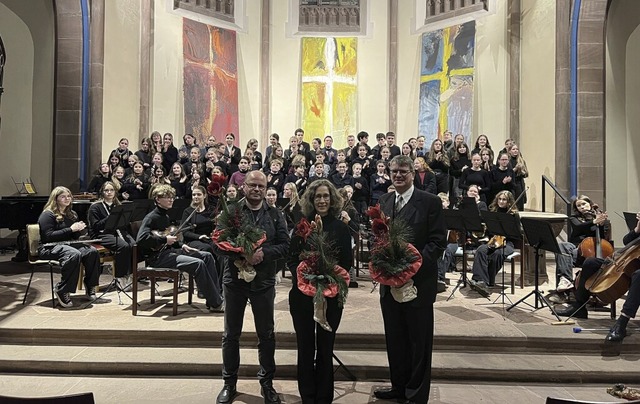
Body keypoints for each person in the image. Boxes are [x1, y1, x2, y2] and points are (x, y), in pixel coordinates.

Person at [373, 155, 447, 404]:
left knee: (418, 343)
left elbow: (437, 242)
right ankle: (399, 386)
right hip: (389, 284)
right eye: (394, 171)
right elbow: (380, 240)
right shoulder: (384, 201)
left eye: (403, 171)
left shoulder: (430, 202)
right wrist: (387, 268)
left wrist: (409, 268)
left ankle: (415, 394)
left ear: (413, 173)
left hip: (418, 284)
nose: (398, 175)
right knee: (395, 339)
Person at [213, 170, 290, 404]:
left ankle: (267, 384)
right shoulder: (231, 211)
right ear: (243, 187)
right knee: (230, 335)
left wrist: (262, 253)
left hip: (263, 282)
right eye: (252, 185)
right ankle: (229, 383)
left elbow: (285, 245)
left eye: (261, 186)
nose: (257, 189)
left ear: (266, 190)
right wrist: (239, 252)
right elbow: (217, 244)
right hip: (234, 281)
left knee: (266, 334)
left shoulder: (276, 215)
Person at [287, 179, 352, 404]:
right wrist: (308, 274)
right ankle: (308, 396)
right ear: (311, 200)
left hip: (331, 296)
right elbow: (291, 259)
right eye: (317, 197)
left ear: (332, 199)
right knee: (305, 348)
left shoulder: (341, 228)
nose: (322, 200)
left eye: (326, 196)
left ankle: (324, 397)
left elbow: (347, 263)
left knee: (325, 348)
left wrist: (327, 277)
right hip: (303, 297)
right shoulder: (302, 226)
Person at [136, 183, 223, 311]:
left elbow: (170, 238)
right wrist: (164, 239)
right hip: (158, 257)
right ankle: (216, 303)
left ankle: (214, 298)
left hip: (170, 252)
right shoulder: (151, 217)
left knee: (207, 256)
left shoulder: (165, 216)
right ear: (158, 199)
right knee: (198, 263)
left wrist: (182, 246)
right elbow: (141, 239)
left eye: (172, 197)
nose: (171, 199)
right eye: (167, 197)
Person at [556, 211, 640, 343]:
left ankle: (622, 322)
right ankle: (579, 307)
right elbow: (626, 241)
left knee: (638, 275)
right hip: (627, 263)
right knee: (590, 262)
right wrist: (637, 229)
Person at [38, 187, 101, 308]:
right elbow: (48, 236)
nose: (67, 199)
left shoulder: (72, 214)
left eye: (69, 196)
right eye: (63, 196)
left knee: (92, 251)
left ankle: (90, 286)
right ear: (55, 199)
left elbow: (73, 236)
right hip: (48, 247)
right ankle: (62, 290)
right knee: (73, 254)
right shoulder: (47, 215)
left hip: (67, 244)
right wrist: (71, 229)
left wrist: (79, 230)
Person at [549, 195, 609, 303]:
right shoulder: (574, 218)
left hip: (592, 252)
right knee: (562, 246)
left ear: (590, 204)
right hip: (576, 248)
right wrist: (594, 222)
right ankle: (565, 282)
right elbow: (579, 227)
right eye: (579, 206)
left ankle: (564, 288)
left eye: (584, 204)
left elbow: (603, 240)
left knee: (563, 257)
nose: (582, 207)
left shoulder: (599, 218)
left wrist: (601, 225)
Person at [86, 181, 136, 290]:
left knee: (133, 245)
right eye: (106, 190)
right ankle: (120, 277)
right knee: (123, 246)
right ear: (102, 192)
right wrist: (111, 217)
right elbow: (95, 226)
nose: (109, 192)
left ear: (115, 192)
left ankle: (130, 274)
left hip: (116, 233)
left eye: (111, 190)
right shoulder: (95, 207)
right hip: (101, 234)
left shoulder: (118, 205)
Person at [468, 191, 518, 297]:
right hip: (493, 241)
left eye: (504, 199)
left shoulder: (513, 215)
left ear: (509, 202)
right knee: (481, 250)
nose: (501, 201)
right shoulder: (492, 212)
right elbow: (489, 231)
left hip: (507, 243)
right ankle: (480, 280)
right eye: (499, 199)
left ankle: (489, 281)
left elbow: (516, 234)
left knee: (498, 254)